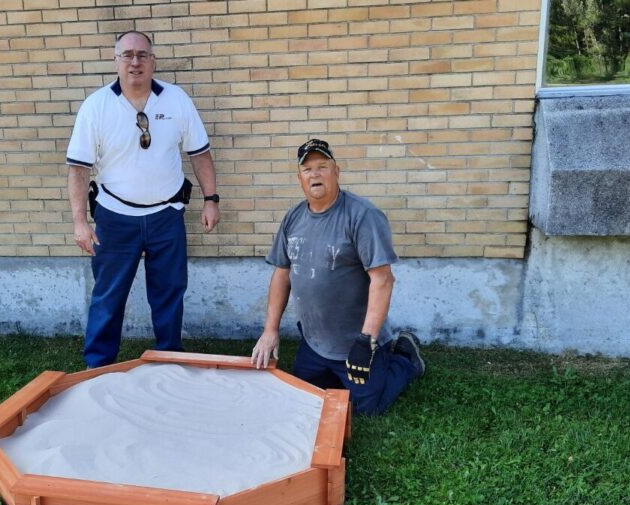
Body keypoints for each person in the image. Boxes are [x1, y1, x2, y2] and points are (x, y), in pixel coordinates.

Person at [66, 30, 220, 368]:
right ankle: (98, 365)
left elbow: (200, 153)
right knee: (109, 296)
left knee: (169, 293)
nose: (135, 61)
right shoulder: (96, 106)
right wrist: (80, 221)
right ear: (116, 60)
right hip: (114, 219)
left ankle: (170, 358)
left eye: (142, 55)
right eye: (127, 55)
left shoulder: (176, 99)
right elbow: (78, 168)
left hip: (167, 216)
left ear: (153, 60)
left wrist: (211, 199)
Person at [251, 139, 425, 415]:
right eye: (307, 169)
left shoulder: (362, 216)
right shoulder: (293, 218)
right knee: (308, 399)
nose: (315, 174)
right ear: (299, 178)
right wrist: (270, 331)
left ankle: (404, 358)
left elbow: (383, 279)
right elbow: (282, 273)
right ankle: (334, 371)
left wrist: (365, 340)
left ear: (336, 171)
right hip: (314, 342)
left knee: (365, 409)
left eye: (322, 166)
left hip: (356, 342)